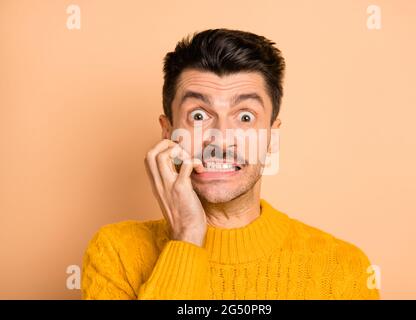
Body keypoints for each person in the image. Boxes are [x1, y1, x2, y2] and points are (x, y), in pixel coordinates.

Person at [81, 28, 380, 300]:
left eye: (245, 117)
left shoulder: (344, 269)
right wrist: (187, 239)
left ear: (271, 137)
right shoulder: (115, 254)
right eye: (199, 116)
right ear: (168, 131)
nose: (221, 140)